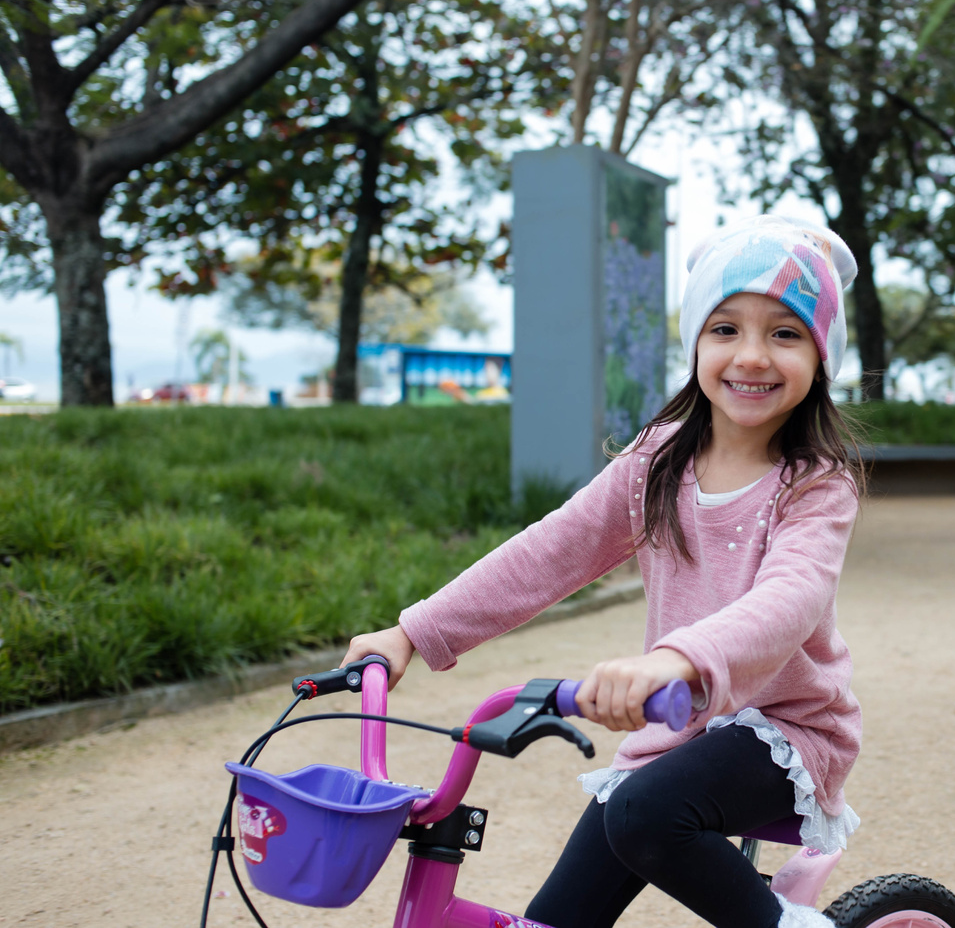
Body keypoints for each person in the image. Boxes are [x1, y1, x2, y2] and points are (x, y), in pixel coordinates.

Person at [342, 214, 865, 928]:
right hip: (678, 725)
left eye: (785, 334)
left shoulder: (815, 484)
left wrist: (675, 660)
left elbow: (789, 599)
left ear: (821, 355)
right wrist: (413, 632)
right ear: (695, 341)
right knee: (559, 914)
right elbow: (552, 550)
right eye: (725, 329)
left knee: (644, 814)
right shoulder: (657, 461)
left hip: (786, 726)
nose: (751, 356)